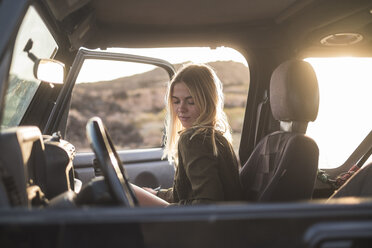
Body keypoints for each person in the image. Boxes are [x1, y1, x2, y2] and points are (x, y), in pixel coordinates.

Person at [133, 63, 243, 206]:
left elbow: (207, 204)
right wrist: (158, 194)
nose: (181, 109)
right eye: (176, 101)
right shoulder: (215, 137)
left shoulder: (195, 139)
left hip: (202, 226)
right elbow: (187, 193)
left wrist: (164, 207)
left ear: (207, 102)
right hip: (219, 224)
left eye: (190, 102)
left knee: (129, 191)